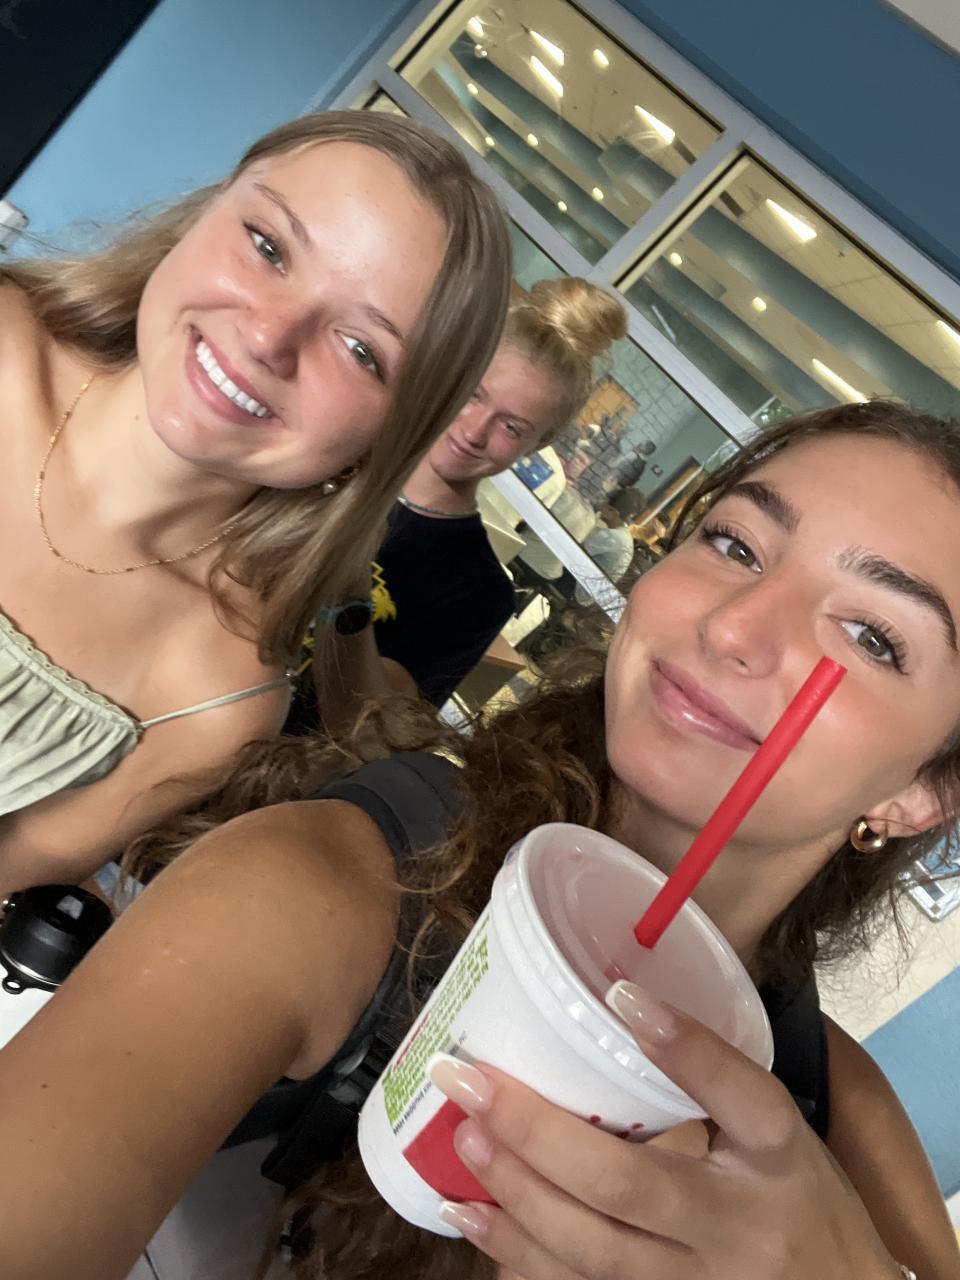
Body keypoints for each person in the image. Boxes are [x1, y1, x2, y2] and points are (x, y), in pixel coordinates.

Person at [3, 400, 960, 1280]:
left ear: (925, 793)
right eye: (735, 543)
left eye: (873, 637)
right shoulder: (331, 887)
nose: (735, 627)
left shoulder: (829, 1114)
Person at [0, 111, 510, 897]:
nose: (271, 337)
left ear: (388, 437)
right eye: (269, 247)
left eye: (362, 351)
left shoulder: (218, 698)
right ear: (204, 212)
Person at [286, 279, 627, 728]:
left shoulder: (478, 593)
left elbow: (368, 726)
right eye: (473, 395)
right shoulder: (332, 454)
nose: (474, 431)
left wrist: (346, 601)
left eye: (510, 427)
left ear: (538, 445)